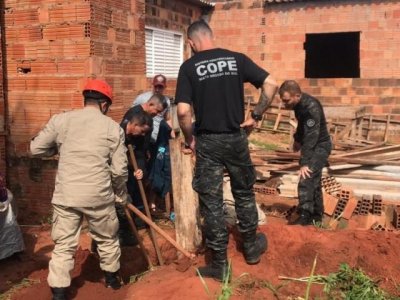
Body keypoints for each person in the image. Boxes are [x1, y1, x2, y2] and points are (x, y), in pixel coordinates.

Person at [175, 20, 278, 281]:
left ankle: (220, 265)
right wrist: (256, 114)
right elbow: (272, 84)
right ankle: (252, 248)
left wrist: (190, 139)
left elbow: (184, 111)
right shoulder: (237, 60)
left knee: (212, 202)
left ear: (191, 43)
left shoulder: (188, 67)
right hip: (236, 138)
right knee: (243, 193)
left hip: (208, 142)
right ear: (211, 36)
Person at [30, 79, 128, 300]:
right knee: (107, 239)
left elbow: (36, 148)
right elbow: (120, 170)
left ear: (86, 100)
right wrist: (121, 193)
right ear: (104, 104)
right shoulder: (112, 128)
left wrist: (58, 149)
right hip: (99, 196)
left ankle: (59, 293)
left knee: (64, 244)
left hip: (67, 195)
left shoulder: (61, 120)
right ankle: (112, 281)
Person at [278, 80, 332, 226]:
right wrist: (297, 139)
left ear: (297, 95)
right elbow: (302, 125)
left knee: (306, 177)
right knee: (314, 180)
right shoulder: (298, 105)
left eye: (287, 100)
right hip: (312, 144)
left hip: (320, 146)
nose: (285, 104)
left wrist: (304, 163)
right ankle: (317, 215)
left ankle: (304, 215)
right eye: (283, 101)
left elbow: (311, 137)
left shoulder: (311, 107)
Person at [116, 109, 153, 246]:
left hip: (129, 174)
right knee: (120, 206)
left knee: (131, 198)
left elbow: (139, 155)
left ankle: (130, 232)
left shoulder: (139, 137)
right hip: (115, 175)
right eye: (142, 131)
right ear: (135, 125)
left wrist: (139, 170)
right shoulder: (117, 132)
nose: (143, 134)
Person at [132, 74, 172, 143]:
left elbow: (167, 118)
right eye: (155, 86)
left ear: (165, 87)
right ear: (152, 85)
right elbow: (132, 115)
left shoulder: (166, 101)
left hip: (159, 137)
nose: (157, 89)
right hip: (143, 137)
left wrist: (172, 131)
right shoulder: (142, 98)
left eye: (160, 87)